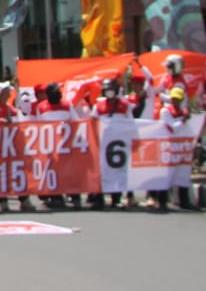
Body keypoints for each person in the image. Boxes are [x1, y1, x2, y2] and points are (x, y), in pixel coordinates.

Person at [0, 82, 34, 213]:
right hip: (0, 148)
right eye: (6, 91)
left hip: (14, 146)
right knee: (1, 174)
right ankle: (3, 201)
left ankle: (24, 199)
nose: (9, 93)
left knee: (19, 172)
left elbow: (21, 118)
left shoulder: (11, 108)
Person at [32, 83, 81, 209]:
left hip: (67, 145)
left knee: (70, 172)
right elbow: (39, 126)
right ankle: (56, 197)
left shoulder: (67, 105)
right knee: (53, 172)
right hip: (51, 146)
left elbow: (76, 121)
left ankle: (75, 197)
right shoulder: (41, 107)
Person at [88, 78, 132, 209]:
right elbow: (92, 123)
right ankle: (98, 198)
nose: (109, 92)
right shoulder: (98, 106)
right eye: (107, 90)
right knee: (101, 170)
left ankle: (116, 198)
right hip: (103, 144)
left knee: (117, 170)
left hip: (119, 144)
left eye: (111, 90)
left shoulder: (125, 106)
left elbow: (130, 123)